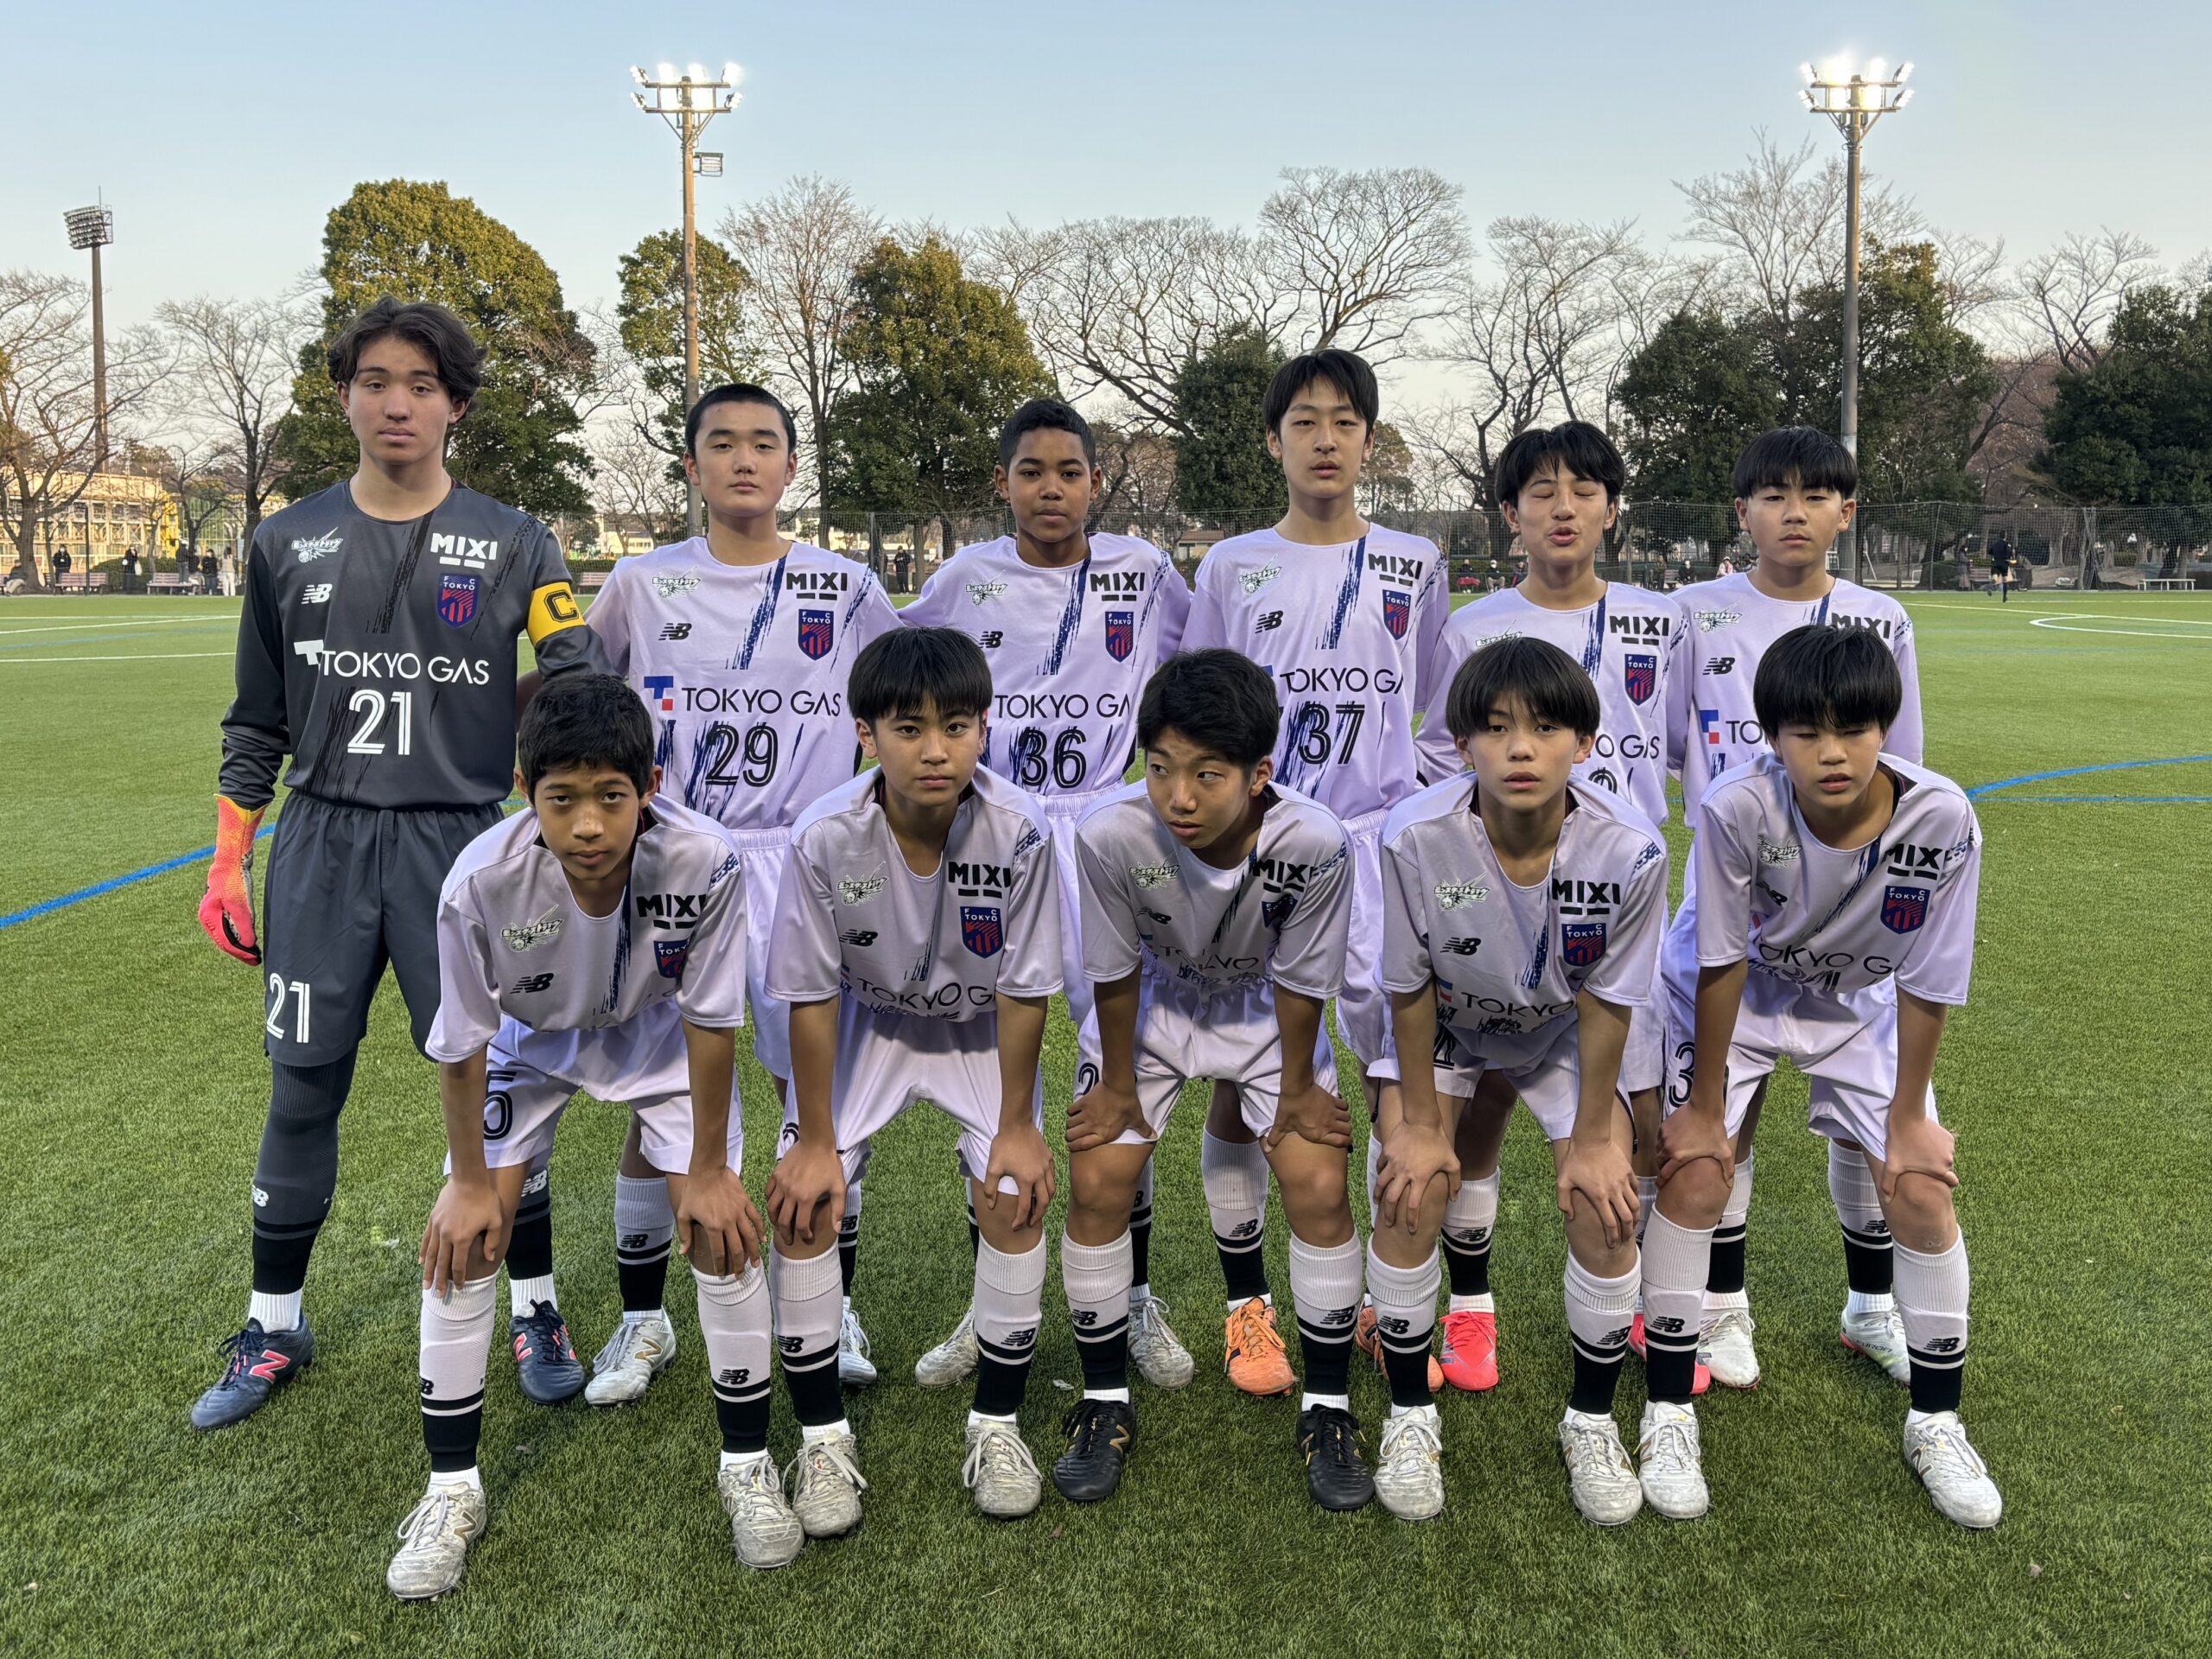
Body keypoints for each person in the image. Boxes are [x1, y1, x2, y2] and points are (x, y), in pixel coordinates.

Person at [189, 296, 605, 1430]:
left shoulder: (518, 541)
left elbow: (576, 677)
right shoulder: (284, 541)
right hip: (322, 846)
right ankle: (274, 1323)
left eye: (422, 384)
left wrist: (555, 785)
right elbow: (256, 720)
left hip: (464, 848)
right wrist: (227, 866)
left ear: (455, 405)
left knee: (502, 1087)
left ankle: (534, 1308)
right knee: (303, 1082)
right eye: (375, 380)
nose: (397, 403)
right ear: (344, 397)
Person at [385, 673, 793, 1596]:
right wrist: (467, 1182)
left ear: (650, 787)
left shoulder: (706, 860)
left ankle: (746, 1467)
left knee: (721, 1231)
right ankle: (451, 1491)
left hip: (656, 1036)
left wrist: (709, 1168)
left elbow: (712, 1021)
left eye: (611, 797)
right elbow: (462, 1046)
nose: (589, 826)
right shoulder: (478, 884)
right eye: (561, 799)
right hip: (531, 1045)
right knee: (468, 1238)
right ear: (524, 792)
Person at [569, 383, 900, 1403]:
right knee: (659, 1093)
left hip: (805, 864)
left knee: (819, 1100)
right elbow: (584, 697)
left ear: (791, 467)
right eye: (722, 444)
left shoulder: (845, 586)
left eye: (763, 444)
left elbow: (898, 701)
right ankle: (643, 1318)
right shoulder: (641, 581)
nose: (743, 460)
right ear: (691, 467)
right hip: (677, 865)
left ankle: (828, 1303)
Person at [1643, 626, 1999, 1529]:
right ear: (1771, 737)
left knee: (1919, 1186)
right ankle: (1667, 1412)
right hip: (1737, 992)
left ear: (1887, 727)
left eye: (1854, 729)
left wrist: (1910, 1118)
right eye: (1805, 732)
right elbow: (1720, 959)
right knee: (1696, 1169)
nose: (1831, 753)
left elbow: (1930, 978)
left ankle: (1936, 1423)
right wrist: (1705, 1109)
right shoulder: (1736, 807)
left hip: (1858, 999)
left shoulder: (1942, 818)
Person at [902, 398, 1192, 1390]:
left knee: (1122, 1069)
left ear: (1096, 482)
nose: (1051, 488)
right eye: (1031, 471)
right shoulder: (963, 579)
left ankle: (1135, 1299)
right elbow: (898, 678)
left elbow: (1203, 670)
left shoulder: (1144, 572)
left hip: (1111, 834)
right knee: (991, 1080)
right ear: (1003, 483)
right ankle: (990, 1305)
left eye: (1070, 471)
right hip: (997, 837)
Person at [1180, 348, 1446, 1398]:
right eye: (1303, 421)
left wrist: (1419, 812)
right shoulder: (1230, 565)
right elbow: (1201, 704)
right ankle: (1246, 1307)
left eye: (1343, 421)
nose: (1324, 439)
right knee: (1240, 1065)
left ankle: (1384, 1296)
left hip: (1377, 849)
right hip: (1262, 843)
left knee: (1391, 1067)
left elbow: (1441, 709)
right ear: (1272, 441)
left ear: (1369, 441)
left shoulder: (1414, 561)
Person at [1056, 649, 1371, 1511]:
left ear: (1259, 774)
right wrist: (1116, 1088)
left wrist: (1300, 1092)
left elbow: (1303, 978)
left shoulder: (1314, 841)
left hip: (1263, 1011)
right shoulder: (1109, 834)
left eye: (1206, 774)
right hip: (1153, 1010)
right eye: (1160, 768)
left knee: (1318, 1184)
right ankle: (1103, 1400)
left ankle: (1328, 1408)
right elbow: (1113, 970)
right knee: (1099, 1178)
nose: (1178, 796)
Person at [1410, 422, 1687, 1401]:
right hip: (1498, 899)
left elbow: (1689, 745)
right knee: (1482, 1101)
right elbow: (1442, 758)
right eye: (1540, 491)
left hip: (1616, 900)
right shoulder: (1471, 628)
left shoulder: (1663, 619)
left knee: (1639, 1120)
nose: (1562, 508)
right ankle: (1470, 1307)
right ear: (1509, 512)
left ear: (1613, 507)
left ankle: (1640, 1304)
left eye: (1583, 490)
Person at [765, 627, 1062, 1525]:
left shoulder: (1021, 831)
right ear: (865, 735)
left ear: (984, 728)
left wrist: (1018, 1126)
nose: (936, 750)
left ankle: (997, 1424)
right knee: (803, 1203)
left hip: (974, 1030)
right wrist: (816, 1140)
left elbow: (1023, 989)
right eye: (909, 729)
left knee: (1012, 1193)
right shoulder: (823, 836)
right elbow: (810, 996)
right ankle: (823, 1442)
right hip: (870, 1024)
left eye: (957, 727)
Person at [1370, 639, 1667, 1522]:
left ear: (1586, 741)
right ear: (1462, 744)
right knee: (1411, 1188)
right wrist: (1418, 1127)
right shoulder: (1413, 836)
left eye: (1544, 728)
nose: (1521, 749)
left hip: (1565, 1030)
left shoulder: (1631, 850)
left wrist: (1592, 1140)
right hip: (1450, 1023)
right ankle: (1409, 1416)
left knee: (1604, 1206)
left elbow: (1609, 1001)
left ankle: (1590, 1422)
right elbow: (1407, 987)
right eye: (1495, 729)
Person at [1660, 427, 1924, 1392]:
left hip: (1847, 915)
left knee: (1864, 1121)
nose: (1793, 513)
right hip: (1730, 902)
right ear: (1743, 512)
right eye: (1773, 495)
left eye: (1815, 496)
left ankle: (1871, 1306)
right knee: (1724, 1114)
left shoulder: (1880, 619)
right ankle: (1723, 1307)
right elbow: (1664, 746)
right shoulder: (1691, 614)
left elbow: (1902, 767)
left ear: (1846, 513)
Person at [1988, 533, 2014, 603]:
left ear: (1999, 536)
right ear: (2006, 536)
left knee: (1995, 578)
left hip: (1995, 562)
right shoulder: (2007, 544)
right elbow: (2009, 552)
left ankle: (1990, 587)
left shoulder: (1995, 544)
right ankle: (2004, 597)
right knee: (2005, 580)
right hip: (2003, 563)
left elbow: (1989, 552)